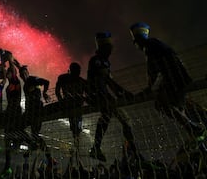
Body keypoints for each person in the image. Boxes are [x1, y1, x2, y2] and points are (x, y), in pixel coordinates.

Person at [129, 22, 206, 140]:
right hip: (177, 76)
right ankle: (196, 125)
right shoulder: (156, 43)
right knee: (178, 105)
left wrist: (149, 89)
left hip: (174, 78)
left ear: (138, 40)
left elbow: (153, 69)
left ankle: (193, 128)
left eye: (135, 42)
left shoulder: (149, 46)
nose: (136, 46)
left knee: (161, 104)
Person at [87, 32, 138, 162]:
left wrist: (119, 92)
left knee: (108, 117)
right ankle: (134, 154)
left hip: (103, 96)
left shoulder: (104, 62)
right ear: (103, 47)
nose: (111, 49)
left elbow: (108, 81)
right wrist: (120, 92)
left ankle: (96, 148)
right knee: (124, 120)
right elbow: (104, 81)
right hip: (101, 96)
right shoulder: (98, 61)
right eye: (109, 47)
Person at [55, 62, 88, 152]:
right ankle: (76, 141)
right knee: (76, 124)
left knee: (77, 124)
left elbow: (57, 91)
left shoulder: (64, 78)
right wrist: (61, 101)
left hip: (73, 105)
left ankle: (76, 140)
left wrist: (61, 101)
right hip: (72, 105)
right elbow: (57, 91)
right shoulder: (78, 80)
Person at [19, 65, 50, 150]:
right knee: (19, 128)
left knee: (35, 134)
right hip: (29, 111)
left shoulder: (32, 79)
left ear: (28, 73)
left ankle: (48, 156)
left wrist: (44, 93)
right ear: (20, 76)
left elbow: (46, 82)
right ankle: (32, 143)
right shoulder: (26, 85)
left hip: (37, 110)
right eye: (22, 74)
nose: (24, 76)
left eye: (25, 73)